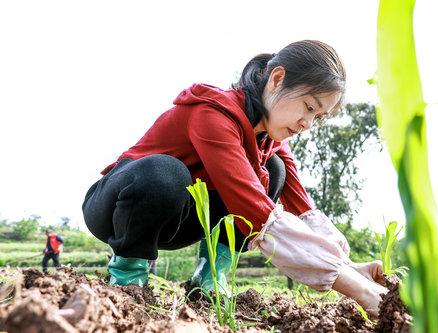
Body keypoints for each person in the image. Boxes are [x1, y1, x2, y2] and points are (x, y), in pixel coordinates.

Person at [82, 40, 387, 316]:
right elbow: (257, 212)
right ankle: (128, 276)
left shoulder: (271, 141)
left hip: (179, 222)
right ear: (277, 79)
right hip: (118, 207)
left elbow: (302, 211)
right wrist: (359, 291)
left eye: (317, 117)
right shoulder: (213, 113)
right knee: (166, 173)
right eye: (308, 107)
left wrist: (350, 268)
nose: (307, 123)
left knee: (274, 171)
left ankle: (211, 277)